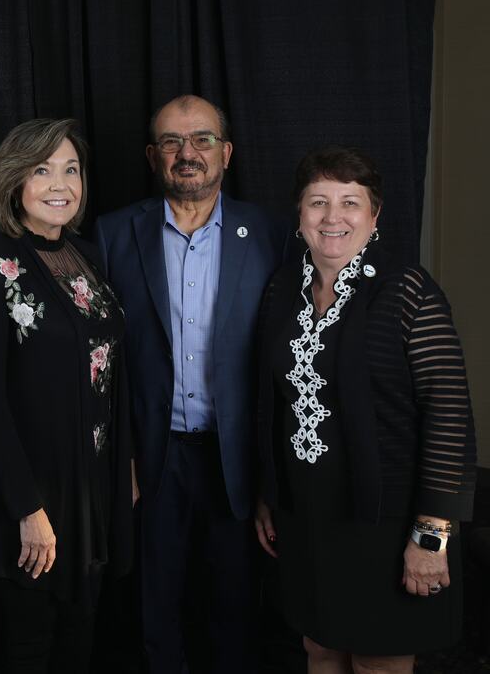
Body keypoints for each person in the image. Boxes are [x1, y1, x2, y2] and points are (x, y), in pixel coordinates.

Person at [253, 146, 477, 673]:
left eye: (350, 202)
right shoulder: (282, 288)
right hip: (306, 516)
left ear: (374, 216)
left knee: (379, 660)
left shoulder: (408, 292)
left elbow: (449, 418)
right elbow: (272, 404)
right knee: (319, 647)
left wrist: (431, 537)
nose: (333, 218)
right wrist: (269, 492)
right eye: (318, 203)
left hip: (389, 521)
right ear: (300, 215)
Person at [94, 95, 288, 672]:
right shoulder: (111, 234)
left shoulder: (273, 236)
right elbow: (99, 362)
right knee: (155, 611)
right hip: (150, 460)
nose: (188, 153)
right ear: (154, 156)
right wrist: (118, 457)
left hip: (237, 462)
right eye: (174, 142)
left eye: (202, 139)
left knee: (234, 614)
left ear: (225, 153)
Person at [0, 118, 135, 672]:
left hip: (91, 492)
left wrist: (124, 465)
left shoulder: (89, 258)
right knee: (29, 649)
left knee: (78, 645)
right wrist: (27, 508)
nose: (61, 184)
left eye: (71, 170)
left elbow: (114, 373)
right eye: (43, 171)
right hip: (31, 498)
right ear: (15, 183)